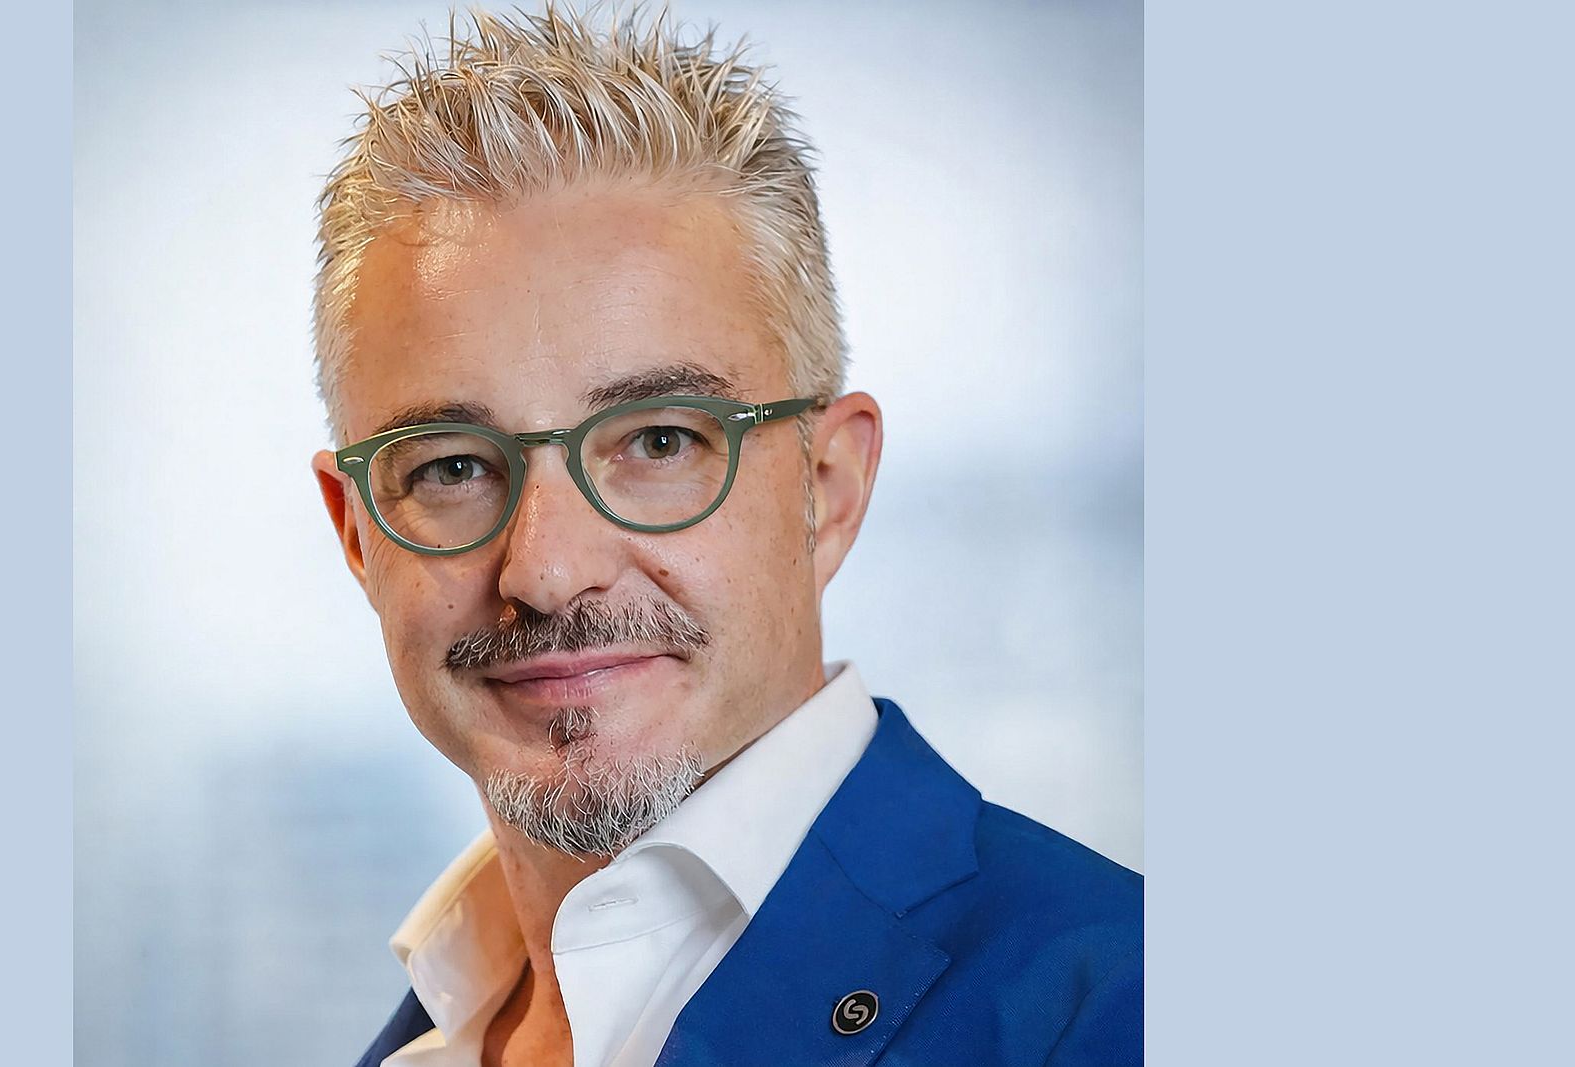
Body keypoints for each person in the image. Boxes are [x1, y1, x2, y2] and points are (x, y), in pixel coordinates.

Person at [308, 5, 1141, 1065]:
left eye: (659, 441)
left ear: (829, 487)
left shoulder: (1128, 1006)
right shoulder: (432, 1033)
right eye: (454, 466)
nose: (549, 569)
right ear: (357, 534)